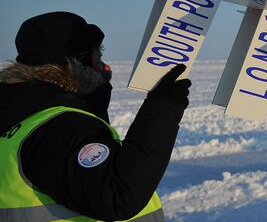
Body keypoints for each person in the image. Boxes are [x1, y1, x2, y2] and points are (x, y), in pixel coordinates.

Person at [0, 11, 191, 221]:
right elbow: (118, 195)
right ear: (78, 61)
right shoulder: (57, 128)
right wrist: (163, 107)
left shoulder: (23, 113)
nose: (104, 65)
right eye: (98, 54)